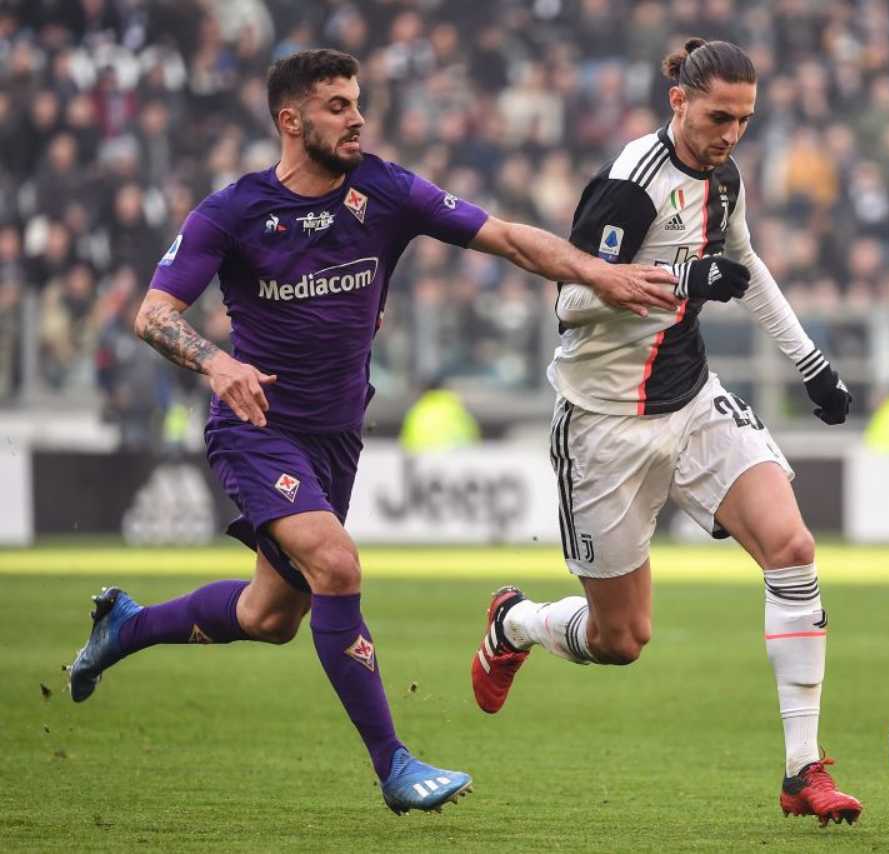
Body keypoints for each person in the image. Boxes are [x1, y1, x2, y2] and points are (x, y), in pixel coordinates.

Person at [66, 48, 677, 816]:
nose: (356, 116)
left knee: (270, 617)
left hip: (335, 438)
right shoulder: (231, 212)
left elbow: (511, 238)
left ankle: (126, 627)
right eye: (335, 105)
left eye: (357, 101)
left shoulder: (385, 190)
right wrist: (217, 365)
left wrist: (600, 273)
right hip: (255, 426)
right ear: (290, 120)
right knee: (338, 565)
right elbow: (153, 314)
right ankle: (394, 764)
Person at [470, 39, 863, 827]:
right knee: (622, 640)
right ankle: (516, 623)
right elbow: (573, 302)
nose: (731, 134)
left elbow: (742, 261)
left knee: (793, 551)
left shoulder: (724, 176)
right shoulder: (630, 187)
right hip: (605, 424)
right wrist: (685, 280)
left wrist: (809, 362)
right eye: (719, 116)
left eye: (745, 120)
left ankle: (802, 771)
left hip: (689, 400)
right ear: (678, 101)